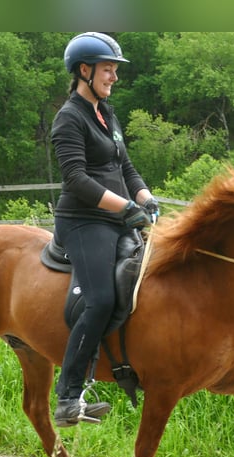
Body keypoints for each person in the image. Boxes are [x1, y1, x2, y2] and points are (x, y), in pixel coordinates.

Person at [50, 32, 160, 427]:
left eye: (115, 70)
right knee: (99, 298)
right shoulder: (69, 117)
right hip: (83, 221)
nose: (114, 77)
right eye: (108, 70)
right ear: (85, 70)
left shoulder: (107, 114)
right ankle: (67, 397)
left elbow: (125, 168)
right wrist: (126, 206)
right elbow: (77, 179)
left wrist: (145, 198)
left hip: (118, 218)